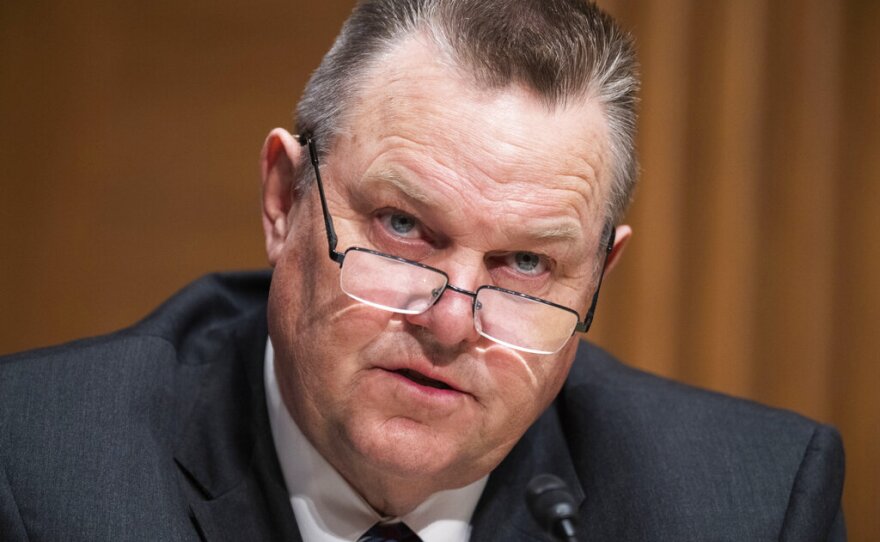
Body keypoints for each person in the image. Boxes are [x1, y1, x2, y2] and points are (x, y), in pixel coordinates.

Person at [0, 0, 845, 540]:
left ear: (596, 281)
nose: (450, 322)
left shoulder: (749, 505)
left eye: (525, 263)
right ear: (285, 198)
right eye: (404, 227)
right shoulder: (37, 467)